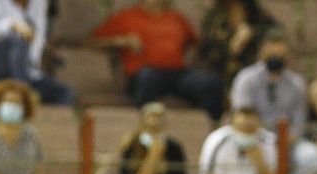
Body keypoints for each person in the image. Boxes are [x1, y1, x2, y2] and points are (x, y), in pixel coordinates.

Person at [229, 30, 317, 174]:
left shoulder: (297, 84)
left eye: (280, 54)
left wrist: (283, 144)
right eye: (271, 54)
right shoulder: (246, 79)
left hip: (286, 142)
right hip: (254, 140)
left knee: (312, 157)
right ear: (261, 53)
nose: (276, 58)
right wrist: (267, 142)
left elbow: (298, 125)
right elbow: (242, 118)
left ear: (287, 55)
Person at [92, 0, 223, 119]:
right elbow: (90, 41)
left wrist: (193, 55)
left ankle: (213, 133)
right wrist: (121, 41)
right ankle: (146, 132)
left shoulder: (175, 17)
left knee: (211, 83)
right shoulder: (126, 17)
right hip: (145, 74)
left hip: (178, 73)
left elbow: (197, 42)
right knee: (148, 79)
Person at [0, 0, 72, 106]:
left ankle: (25, 95)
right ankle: (22, 93)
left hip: (27, 70)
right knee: (19, 39)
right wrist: (10, 25)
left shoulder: (40, 2)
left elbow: (39, 37)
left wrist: (31, 66)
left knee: (64, 94)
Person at [192, 105, 274, 174]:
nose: (246, 133)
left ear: (259, 126)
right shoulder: (218, 142)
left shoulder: (268, 143)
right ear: (232, 125)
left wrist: (261, 165)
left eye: (250, 129)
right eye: (242, 128)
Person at [113, 101, 186, 174]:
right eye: (152, 116)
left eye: (159, 117)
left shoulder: (173, 147)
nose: (155, 121)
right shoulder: (133, 144)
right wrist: (154, 154)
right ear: (142, 121)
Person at [196, 0, 276, 88]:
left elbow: (274, 34)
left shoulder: (257, 14)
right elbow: (207, 57)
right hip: (222, 80)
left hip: (256, 78)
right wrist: (231, 49)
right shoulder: (212, 18)